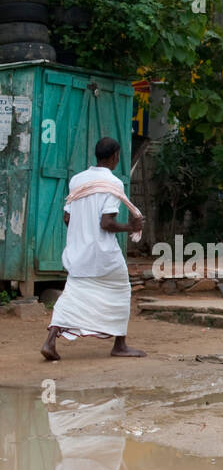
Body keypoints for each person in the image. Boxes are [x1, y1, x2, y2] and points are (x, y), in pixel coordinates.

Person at [41, 137, 146, 361]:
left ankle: (50, 341)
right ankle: (120, 344)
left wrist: (83, 229)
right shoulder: (114, 183)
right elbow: (106, 224)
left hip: (78, 253)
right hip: (103, 255)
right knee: (120, 291)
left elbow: (67, 217)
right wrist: (131, 226)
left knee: (72, 294)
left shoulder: (77, 180)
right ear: (115, 156)